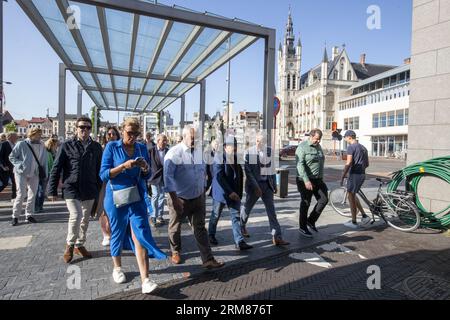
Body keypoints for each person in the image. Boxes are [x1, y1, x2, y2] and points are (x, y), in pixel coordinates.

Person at [100, 118, 166, 294]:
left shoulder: (141, 148)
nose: (133, 137)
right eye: (130, 133)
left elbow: (147, 175)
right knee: (118, 231)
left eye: (136, 134)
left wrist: (144, 168)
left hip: (136, 196)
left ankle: (146, 279)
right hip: (116, 197)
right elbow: (104, 175)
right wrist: (123, 166)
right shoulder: (112, 147)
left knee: (141, 232)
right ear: (122, 130)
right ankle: (117, 268)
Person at [164, 126, 224, 269]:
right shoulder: (173, 154)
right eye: (192, 137)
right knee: (175, 227)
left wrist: (203, 189)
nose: (194, 140)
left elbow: (202, 171)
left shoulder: (199, 152)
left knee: (200, 228)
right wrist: (174, 199)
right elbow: (168, 179)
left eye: (196, 137)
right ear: (184, 136)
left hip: (198, 198)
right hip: (179, 198)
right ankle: (176, 251)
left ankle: (208, 258)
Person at [48, 117, 103, 263]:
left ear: (91, 129)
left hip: (90, 187)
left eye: (87, 127)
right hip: (71, 187)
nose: (84, 130)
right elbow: (56, 168)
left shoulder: (96, 147)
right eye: (81, 127)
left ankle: (80, 244)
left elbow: (99, 170)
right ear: (76, 129)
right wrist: (52, 190)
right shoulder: (67, 145)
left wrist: (100, 192)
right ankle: (70, 245)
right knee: (76, 215)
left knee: (85, 219)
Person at [240, 132, 290, 246]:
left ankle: (277, 237)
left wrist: (275, 185)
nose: (259, 143)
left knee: (272, 212)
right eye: (257, 141)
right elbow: (249, 173)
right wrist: (256, 187)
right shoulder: (249, 152)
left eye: (261, 141)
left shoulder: (269, 151)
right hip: (254, 186)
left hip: (267, 185)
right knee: (247, 208)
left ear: (265, 142)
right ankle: (241, 226)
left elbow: (272, 168)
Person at [208, 136, 253, 250]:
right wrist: (230, 192)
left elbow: (240, 175)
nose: (235, 148)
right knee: (216, 215)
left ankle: (239, 241)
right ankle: (211, 235)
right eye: (232, 146)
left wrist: (238, 192)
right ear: (225, 147)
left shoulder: (236, 158)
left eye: (236, 146)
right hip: (221, 193)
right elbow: (219, 177)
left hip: (234, 193)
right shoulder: (219, 157)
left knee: (235, 217)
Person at [9, 128, 48, 226]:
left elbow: (43, 159)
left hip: (35, 172)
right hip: (21, 172)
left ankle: (29, 215)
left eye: (40, 134)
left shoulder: (42, 144)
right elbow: (12, 157)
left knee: (32, 194)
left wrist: (44, 172)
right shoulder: (21, 144)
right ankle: (15, 216)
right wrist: (20, 165)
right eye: (38, 134)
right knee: (21, 194)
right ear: (32, 134)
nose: (40, 136)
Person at [295, 129, 329, 238]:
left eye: (319, 140)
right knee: (306, 203)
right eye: (316, 139)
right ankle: (302, 227)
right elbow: (300, 165)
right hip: (305, 180)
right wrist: (306, 180)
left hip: (318, 179)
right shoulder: (302, 147)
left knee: (323, 199)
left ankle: (311, 220)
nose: (318, 142)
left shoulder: (318, 146)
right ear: (311, 136)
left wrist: (321, 177)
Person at [340, 130, 371, 228]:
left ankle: (354, 222)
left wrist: (343, 175)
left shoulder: (351, 147)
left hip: (355, 174)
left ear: (349, 137)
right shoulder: (363, 147)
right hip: (361, 174)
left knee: (351, 197)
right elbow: (367, 164)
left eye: (345, 137)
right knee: (353, 195)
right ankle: (364, 215)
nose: (345, 139)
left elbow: (348, 163)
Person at [96, 126, 121, 246]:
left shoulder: (120, 148)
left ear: (117, 136)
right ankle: (106, 234)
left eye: (113, 134)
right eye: (109, 134)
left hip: (116, 182)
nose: (111, 136)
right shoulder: (100, 148)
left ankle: (115, 233)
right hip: (102, 183)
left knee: (116, 209)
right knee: (103, 210)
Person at [148, 134, 169, 227]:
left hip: (164, 177)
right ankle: (153, 216)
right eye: (163, 140)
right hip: (154, 177)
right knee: (155, 195)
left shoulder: (168, 151)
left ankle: (159, 215)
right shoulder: (151, 151)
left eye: (166, 141)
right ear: (158, 141)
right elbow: (147, 164)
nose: (165, 142)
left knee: (161, 196)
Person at [35, 137, 58, 212]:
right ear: (52, 145)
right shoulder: (48, 153)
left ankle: (38, 206)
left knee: (39, 190)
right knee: (41, 190)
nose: (56, 147)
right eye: (56, 145)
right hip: (45, 173)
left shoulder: (46, 151)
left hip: (42, 173)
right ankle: (38, 207)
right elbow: (49, 165)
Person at [0, 132, 19, 200]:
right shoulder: (4, 144)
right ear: (10, 137)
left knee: (15, 182)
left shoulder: (15, 144)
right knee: (5, 183)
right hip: (6, 168)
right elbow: (0, 156)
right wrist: (4, 166)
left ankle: (14, 197)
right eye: (15, 136)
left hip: (13, 167)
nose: (17, 138)